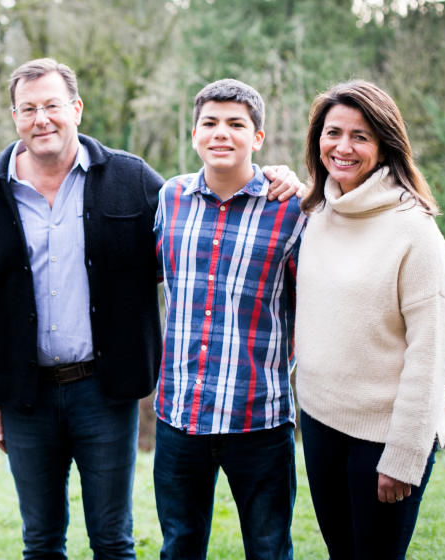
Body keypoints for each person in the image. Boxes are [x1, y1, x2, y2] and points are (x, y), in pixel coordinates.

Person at [0, 59, 302, 559]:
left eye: (52, 105)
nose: (42, 119)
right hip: (25, 396)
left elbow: (215, 201)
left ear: (76, 109)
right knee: (39, 541)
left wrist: (277, 175)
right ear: (14, 116)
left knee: (113, 539)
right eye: (28, 108)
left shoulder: (133, 179)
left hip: (105, 392)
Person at [295, 80, 445, 559]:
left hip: (384, 436)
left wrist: (405, 455)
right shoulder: (319, 209)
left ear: (385, 144)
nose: (342, 147)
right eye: (332, 133)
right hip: (321, 424)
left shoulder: (415, 231)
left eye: (360, 136)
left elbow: (430, 354)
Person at [153, 79, 305, 560]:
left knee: (268, 548)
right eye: (210, 123)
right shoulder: (170, 198)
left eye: (236, 124)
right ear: (194, 133)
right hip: (181, 415)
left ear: (257, 137)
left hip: (258, 418)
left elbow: (314, 303)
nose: (222, 133)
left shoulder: (294, 208)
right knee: (179, 545)